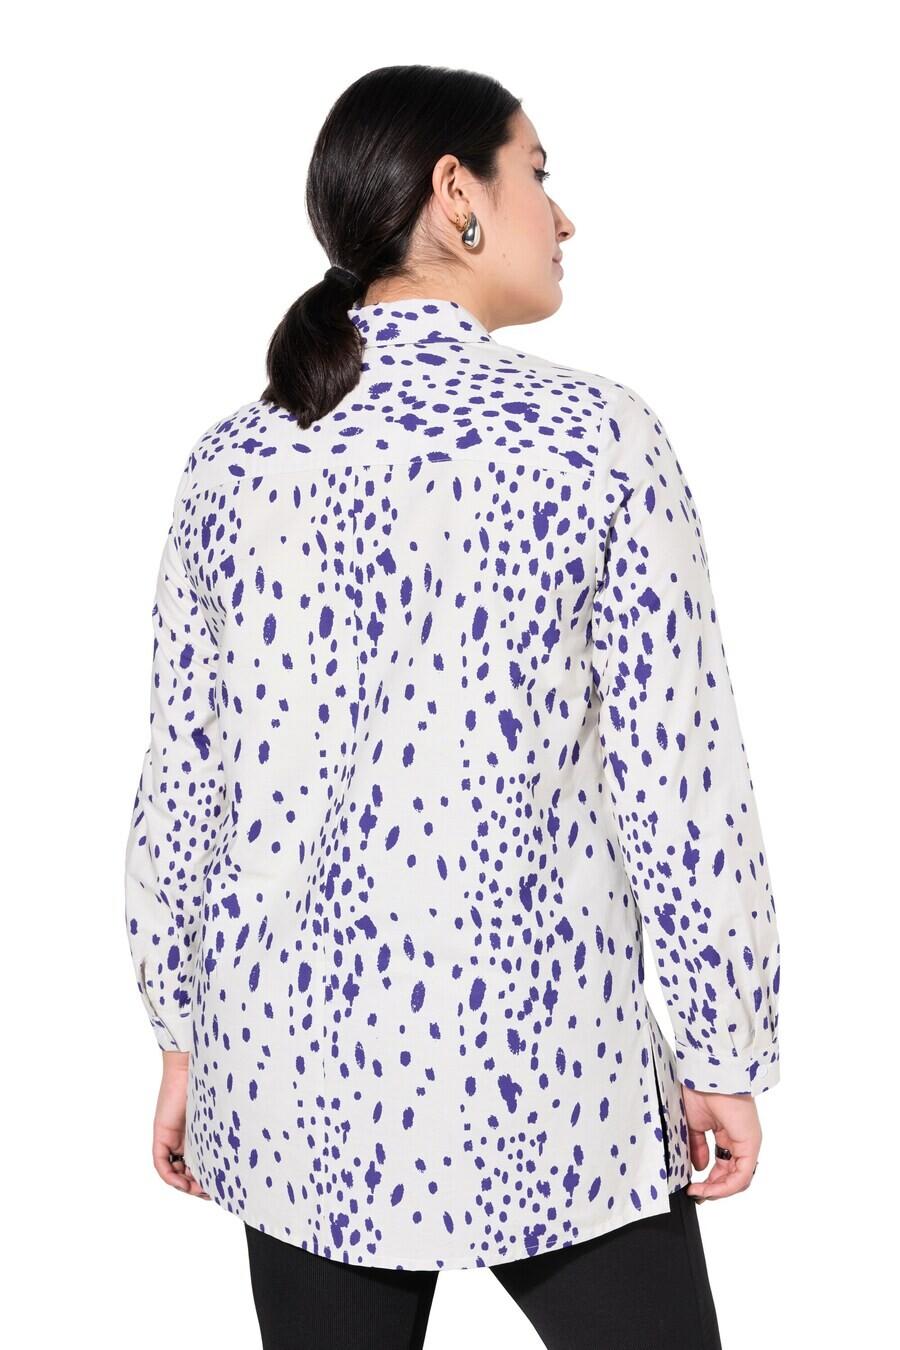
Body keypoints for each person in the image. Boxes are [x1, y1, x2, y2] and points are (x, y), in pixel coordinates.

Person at [123, 63, 781, 1350]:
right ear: (455, 193)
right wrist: (723, 1048)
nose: (564, 215)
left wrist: (184, 1034)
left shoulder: (231, 462)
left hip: (290, 1075)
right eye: (538, 173)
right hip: (555, 1075)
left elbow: (187, 782)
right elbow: (681, 774)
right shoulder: (596, 439)